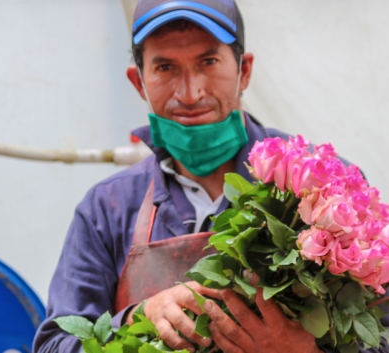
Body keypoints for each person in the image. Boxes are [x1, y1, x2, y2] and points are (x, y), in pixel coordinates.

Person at [33, 1, 388, 352]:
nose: (190, 93)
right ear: (139, 82)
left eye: (208, 61)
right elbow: (54, 344)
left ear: (244, 70)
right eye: (165, 67)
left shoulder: (327, 188)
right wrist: (135, 317)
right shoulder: (106, 208)